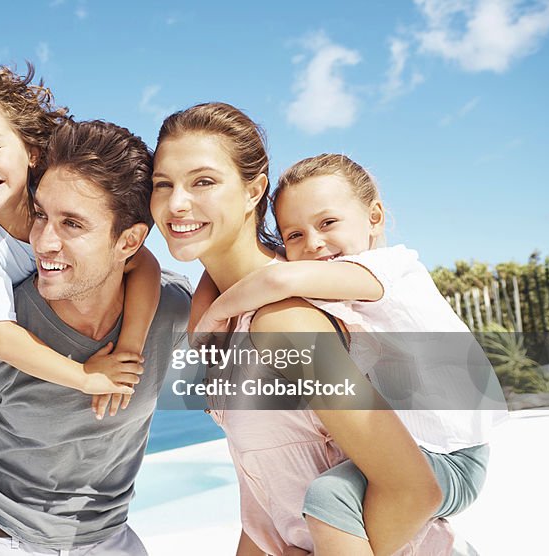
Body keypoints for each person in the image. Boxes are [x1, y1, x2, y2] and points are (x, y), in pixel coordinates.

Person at [150, 103, 453, 555]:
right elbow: (266, 510)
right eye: (163, 185)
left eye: (203, 181)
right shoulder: (222, 319)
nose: (176, 203)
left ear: (254, 190)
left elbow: (414, 490)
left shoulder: (284, 320)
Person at [192, 152, 505, 554]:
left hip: (451, 454)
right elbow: (227, 271)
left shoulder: (392, 269)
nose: (315, 243)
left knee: (330, 499)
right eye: (295, 235)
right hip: (430, 450)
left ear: (374, 216)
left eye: (327, 223)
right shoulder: (339, 290)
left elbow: (276, 275)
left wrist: (216, 314)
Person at [0, 62, 163, 551]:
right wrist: (87, 377)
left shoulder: (61, 191)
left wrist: (129, 346)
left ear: (32, 150)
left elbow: (143, 265)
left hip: (101, 530)